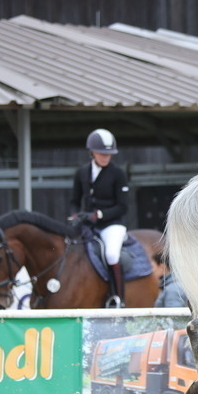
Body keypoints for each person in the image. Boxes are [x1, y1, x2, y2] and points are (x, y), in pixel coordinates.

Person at [70, 128, 130, 308]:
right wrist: (74, 216)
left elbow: (123, 206)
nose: (105, 157)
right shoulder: (82, 173)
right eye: (101, 153)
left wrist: (100, 215)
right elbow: (74, 200)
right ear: (92, 152)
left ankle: (118, 298)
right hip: (87, 224)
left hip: (111, 225)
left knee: (111, 254)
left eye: (108, 154)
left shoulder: (118, 173)